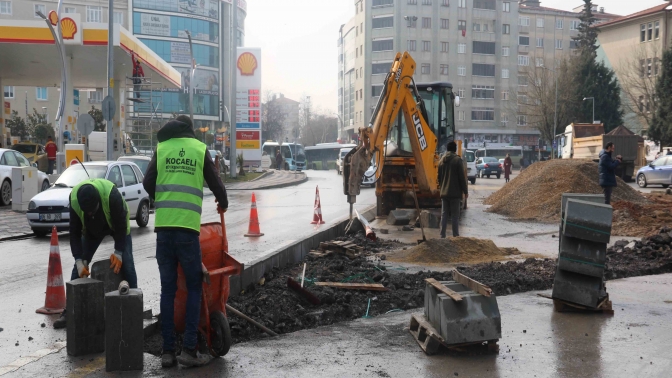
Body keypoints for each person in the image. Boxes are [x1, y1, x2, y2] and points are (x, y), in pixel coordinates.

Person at [143, 115, 228, 368]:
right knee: (193, 286)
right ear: (190, 130)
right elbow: (216, 183)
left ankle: (168, 352)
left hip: (164, 229)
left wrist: (163, 197)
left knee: (168, 290)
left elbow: (148, 182)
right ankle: (189, 349)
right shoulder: (199, 149)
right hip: (187, 231)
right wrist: (223, 202)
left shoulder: (162, 148)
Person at [53, 178, 137, 329]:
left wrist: (118, 252)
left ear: (98, 200)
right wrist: (79, 260)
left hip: (116, 224)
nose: (91, 213)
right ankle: (69, 311)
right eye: (88, 211)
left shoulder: (112, 196)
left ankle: (135, 306)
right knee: (78, 268)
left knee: (128, 265)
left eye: (93, 209)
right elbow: (74, 234)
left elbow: (121, 225)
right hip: (92, 230)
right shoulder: (74, 201)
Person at [438, 141, 468, 238]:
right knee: (455, 215)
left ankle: (442, 235)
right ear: (455, 149)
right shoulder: (457, 160)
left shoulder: (441, 161)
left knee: (444, 214)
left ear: (447, 149)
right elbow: (462, 178)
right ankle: (455, 236)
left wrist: (442, 188)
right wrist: (465, 191)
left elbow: (439, 178)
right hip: (455, 193)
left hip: (444, 193)